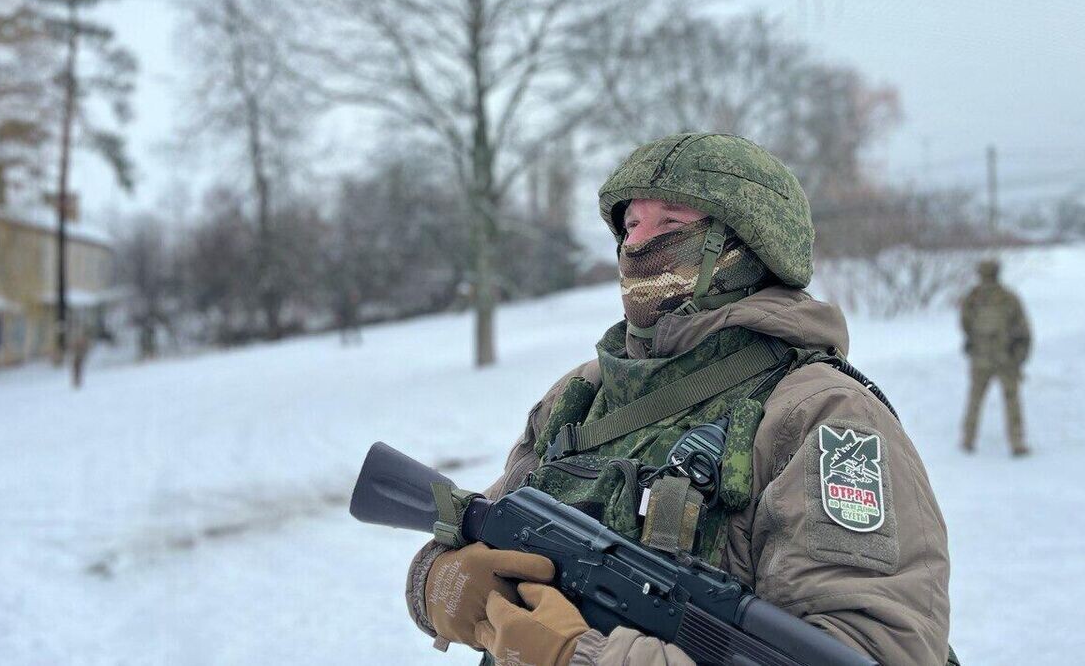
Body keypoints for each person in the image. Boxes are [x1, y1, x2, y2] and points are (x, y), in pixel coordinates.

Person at [404, 134, 953, 666]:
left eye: (670, 223)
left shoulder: (822, 416)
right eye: (631, 224)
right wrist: (438, 581)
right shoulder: (585, 395)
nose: (639, 245)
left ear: (746, 247)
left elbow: (872, 647)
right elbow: (486, 526)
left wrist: (586, 658)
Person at [959, 258, 1031, 456]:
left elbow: (965, 324)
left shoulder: (973, 297)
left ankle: (968, 438)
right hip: (1005, 358)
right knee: (1011, 401)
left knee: (975, 399)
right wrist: (1020, 356)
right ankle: (1017, 442)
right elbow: (1023, 328)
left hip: (982, 358)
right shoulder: (1008, 297)